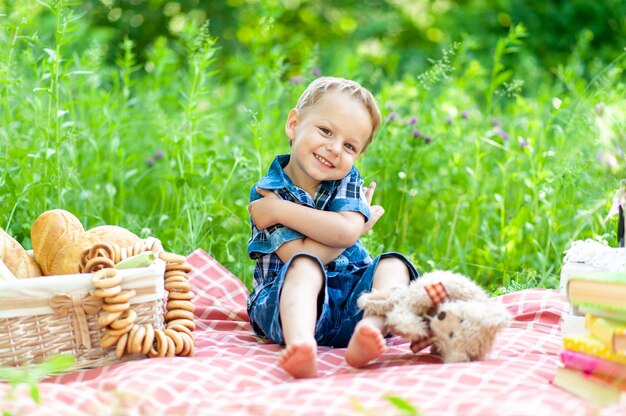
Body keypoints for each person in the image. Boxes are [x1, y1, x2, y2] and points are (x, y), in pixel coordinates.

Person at [247, 76, 419, 378]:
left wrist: (282, 212)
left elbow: (344, 231)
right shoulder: (268, 193)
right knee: (304, 267)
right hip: (288, 306)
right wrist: (354, 228)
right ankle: (301, 347)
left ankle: (370, 330)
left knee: (394, 265)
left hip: (352, 302)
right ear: (294, 124)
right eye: (325, 131)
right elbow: (299, 255)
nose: (335, 149)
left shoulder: (346, 180)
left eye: (350, 146)